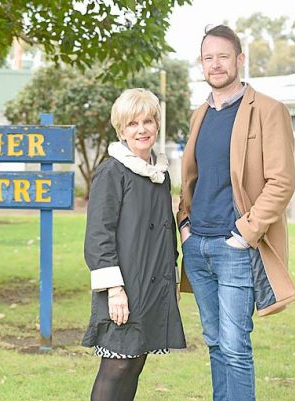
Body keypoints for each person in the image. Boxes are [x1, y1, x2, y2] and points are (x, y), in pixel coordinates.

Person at [177, 25, 295, 401]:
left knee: (234, 347)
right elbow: (191, 178)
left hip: (235, 249)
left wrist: (244, 234)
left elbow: (281, 182)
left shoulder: (268, 111)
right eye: (208, 58)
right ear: (201, 64)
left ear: (240, 59)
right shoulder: (199, 114)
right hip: (197, 247)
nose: (215, 64)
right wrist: (184, 226)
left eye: (223, 56)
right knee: (215, 343)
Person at [82, 88, 186, 401]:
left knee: (135, 363)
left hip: (152, 286)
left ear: (157, 125)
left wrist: (171, 283)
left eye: (147, 121)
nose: (141, 129)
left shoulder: (160, 174)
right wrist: (115, 291)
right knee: (116, 365)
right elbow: (98, 236)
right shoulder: (112, 171)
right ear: (121, 130)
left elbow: (165, 234)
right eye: (132, 123)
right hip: (123, 288)